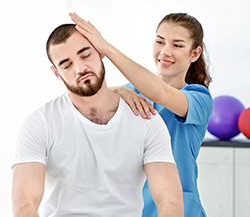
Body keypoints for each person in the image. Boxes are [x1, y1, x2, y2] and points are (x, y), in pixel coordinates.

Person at [11, 23, 184, 217]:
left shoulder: (145, 120)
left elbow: (169, 201)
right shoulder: (40, 124)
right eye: (66, 64)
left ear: (101, 53)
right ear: (56, 73)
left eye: (85, 55)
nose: (80, 68)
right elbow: (25, 205)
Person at [69, 12, 213, 217]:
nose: (165, 51)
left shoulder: (199, 98)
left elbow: (160, 93)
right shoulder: (130, 92)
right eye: (160, 41)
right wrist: (119, 91)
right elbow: (79, 105)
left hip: (180, 209)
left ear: (195, 53)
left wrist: (107, 48)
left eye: (177, 45)